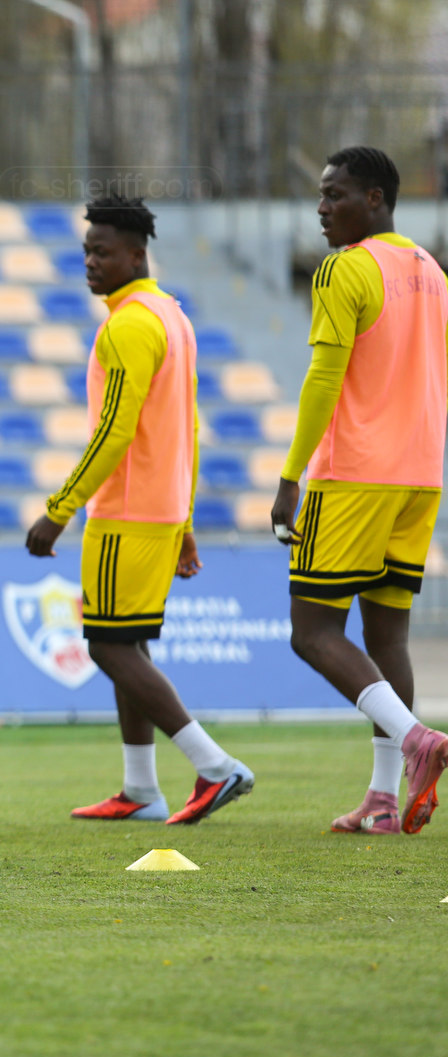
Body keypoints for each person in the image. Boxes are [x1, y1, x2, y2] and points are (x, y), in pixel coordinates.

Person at [27, 195, 255, 825]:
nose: (90, 262)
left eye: (102, 252)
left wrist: (59, 509)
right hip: (161, 510)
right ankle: (140, 790)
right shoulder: (172, 316)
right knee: (126, 642)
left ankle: (214, 766)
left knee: (107, 646)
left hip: (126, 513)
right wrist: (185, 521)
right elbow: (188, 427)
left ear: (136, 254)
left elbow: (116, 431)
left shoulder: (129, 324)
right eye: (86, 251)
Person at [271, 146, 448, 835]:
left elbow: (324, 379)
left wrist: (291, 477)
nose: (322, 208)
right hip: (420, 476)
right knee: (387, 636)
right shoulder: (433, 271)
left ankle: (417, 739)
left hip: (355, 475)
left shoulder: (345, 268)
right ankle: (381, 799)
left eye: (335, 194)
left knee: (312, 631)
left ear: (375, 199)